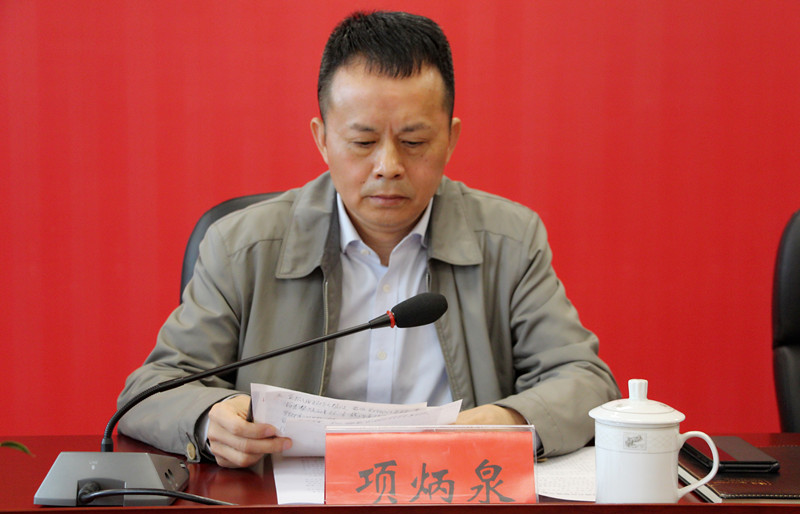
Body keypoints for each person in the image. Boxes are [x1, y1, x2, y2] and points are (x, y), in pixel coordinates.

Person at [118, 10, 620, 468]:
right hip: (288, 510)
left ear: (451, 138)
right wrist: (209, 418)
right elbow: (151, 389)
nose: (388, 166)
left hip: (455, 498)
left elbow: (585, 380)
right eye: (362, 142)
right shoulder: (241, 246)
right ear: (322, 139)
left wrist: (502, 421)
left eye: (414, 141)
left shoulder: (510, 241)